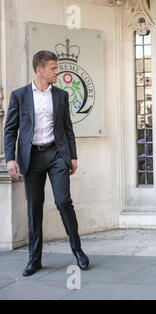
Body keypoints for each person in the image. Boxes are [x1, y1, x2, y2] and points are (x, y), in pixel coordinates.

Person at [4, 50, 89, 276]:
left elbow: (68, 128)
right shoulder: (19, 95)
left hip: (56, 155)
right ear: (39, 70)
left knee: (63, 201)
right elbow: (10, 130)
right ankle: (34, 259)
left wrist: (72, 156)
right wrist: (10, 159)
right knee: (34, 208)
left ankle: (78, 250)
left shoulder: (61, 95)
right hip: (31, 158)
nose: (57, 71)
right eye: (53, 68)